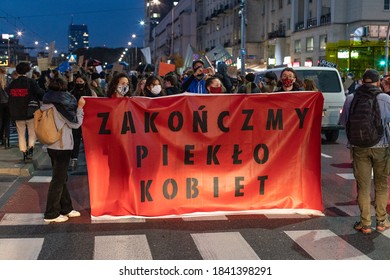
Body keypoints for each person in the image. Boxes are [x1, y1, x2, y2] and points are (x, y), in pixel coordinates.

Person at [339, 69, 390, 234]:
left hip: (358, 147)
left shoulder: (351, 98)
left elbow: (344, 122)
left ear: (362, 81)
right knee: (381, 185)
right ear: (377, 82)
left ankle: (365, 223)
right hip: (382, 147)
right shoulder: (385, 98)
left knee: (363, 186)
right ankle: (382, 221)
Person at [40, 77, 85, 223]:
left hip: (51, 145)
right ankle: (51, 213)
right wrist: (80, 108)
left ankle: (66, 207)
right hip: (62, 145)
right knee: (58, 180)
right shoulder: (60, 105)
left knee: (61, 177)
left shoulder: (46, 103)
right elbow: (75, 124)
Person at [8, 62, 45, 161]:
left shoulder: (12, 84)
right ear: (28, 71)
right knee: (32, 133)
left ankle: (24, 152)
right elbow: (40, 93)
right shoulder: (31, 82)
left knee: (21, 133)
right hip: (30, 112)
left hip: (17, 112)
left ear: (17, 71)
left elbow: (9, 97)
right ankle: (31, 149)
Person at [69, 74, 97, 171]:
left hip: (88, 120)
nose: (79, 84)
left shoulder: (91, 92)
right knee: (75, 140)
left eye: (81, 82)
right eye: (77, 82)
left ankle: (91, 160)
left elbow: (97, 103)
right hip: (76, 120)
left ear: (85, 82)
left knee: (88, 141)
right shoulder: (72, 93)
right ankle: (74, 159)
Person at [0, 67, 10, 148]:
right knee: (6, 122)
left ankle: (1, 139)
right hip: (7, 103)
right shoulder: (7, 80)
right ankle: (6, 139)